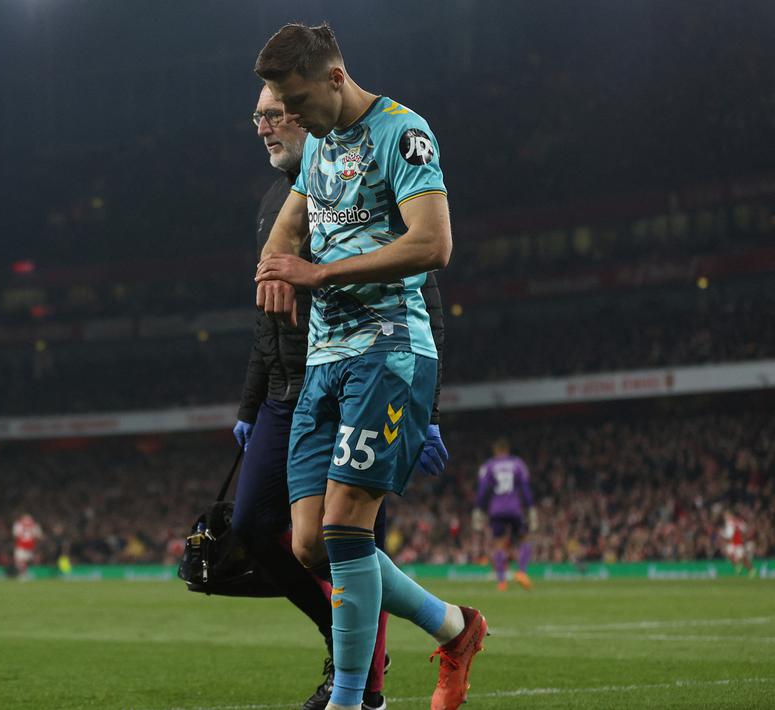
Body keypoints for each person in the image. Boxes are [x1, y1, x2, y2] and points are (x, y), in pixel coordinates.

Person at [252, 23, 485, 710]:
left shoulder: (402, 132)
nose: (290, 117)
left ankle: (351, 701)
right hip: (323, 363)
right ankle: (454, 626)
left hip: (388, 351)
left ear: (332, 76)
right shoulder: (320, 142)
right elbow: (290, 221)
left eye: (296, 99)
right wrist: (275, 264)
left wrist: (316, 274)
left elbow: (433, 244)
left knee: (346, 527)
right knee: (306, 545)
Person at [473, 438, 536, 591]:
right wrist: (530, 507)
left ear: (495, 451)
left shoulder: (489, 466)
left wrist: (479, 509)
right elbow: (525, 488)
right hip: (515, 508)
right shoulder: (518, 464)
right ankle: (521, 572)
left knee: (499, 544)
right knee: (525, 538)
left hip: (496, 510)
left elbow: (483, 490)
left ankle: (502, 582)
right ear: (507, 450)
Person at [721, 511, 756, 578]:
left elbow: (744, 530)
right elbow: (729, 535)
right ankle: (738, 566)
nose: (725, 517)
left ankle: (751, 570)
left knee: (743, 558)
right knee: (728, 553)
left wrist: (744, 537)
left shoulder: (738, 522)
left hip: (739, 543)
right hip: (732, 543)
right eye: (725, 516)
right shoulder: (729, 523)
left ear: (731, 515)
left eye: (727, 515)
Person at [12, 513, 44, 578]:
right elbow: (39, 536)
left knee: (22, 561)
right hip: (24, 546)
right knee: (21, 561)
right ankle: (24, 574)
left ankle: (24, 574)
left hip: (27, 546)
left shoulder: (18, 525)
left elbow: (15, 535)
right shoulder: (34, 525)